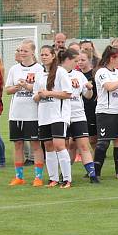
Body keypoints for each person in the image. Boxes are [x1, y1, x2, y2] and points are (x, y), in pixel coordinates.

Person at [5, 40, 46, 186]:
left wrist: (27, 86)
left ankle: (38, 177)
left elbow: (40, 90)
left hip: (33, 114)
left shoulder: (40, 69)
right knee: (18, 145)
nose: (22, 53)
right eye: (20, 50)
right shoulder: (14, 69)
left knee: (35, 144)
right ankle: (19, 177)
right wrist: (17, 87)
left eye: (25, 51)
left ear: (32, 52)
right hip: (16, 113)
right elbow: (8, 89)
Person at [34, 46, 73, 187]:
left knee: (59, 145)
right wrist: (39, 95)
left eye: (46, 54)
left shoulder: (61, 72)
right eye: (42, 54)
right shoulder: (39, 74)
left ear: (53, 56)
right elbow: (35, 97)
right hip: (44, 116)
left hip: (59, 116)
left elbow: (68, 93)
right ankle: (53, 179)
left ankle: (67, 179)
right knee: (48, 146)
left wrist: (49, 93)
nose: (44, 57)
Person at [93, 45, 118, 179]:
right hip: (106, 112)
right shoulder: (101, 72)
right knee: (103, 142)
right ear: (112, 58)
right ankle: (96, 173)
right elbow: (109, 87)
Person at [62, 49, 99, 183]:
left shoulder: (79, 75)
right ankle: (64, 174)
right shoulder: (58, 74)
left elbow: (87, 96)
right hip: (62, 116)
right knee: (66, 146)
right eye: (75, 61)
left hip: (78, 115)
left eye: (79, 61)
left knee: (84, 145)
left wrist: (89, 89)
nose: (77, 63)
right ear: (67, 60)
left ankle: (92, 175)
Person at [77, 51, 99, 149]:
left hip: (94, 107)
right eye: (78, 60)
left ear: (89, 61)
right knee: (87, 137)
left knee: (94, 137)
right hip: (81, 108)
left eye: (83, 60)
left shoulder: (95, 74)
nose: (80, 62)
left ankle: (98, 154)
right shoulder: (76, 75)